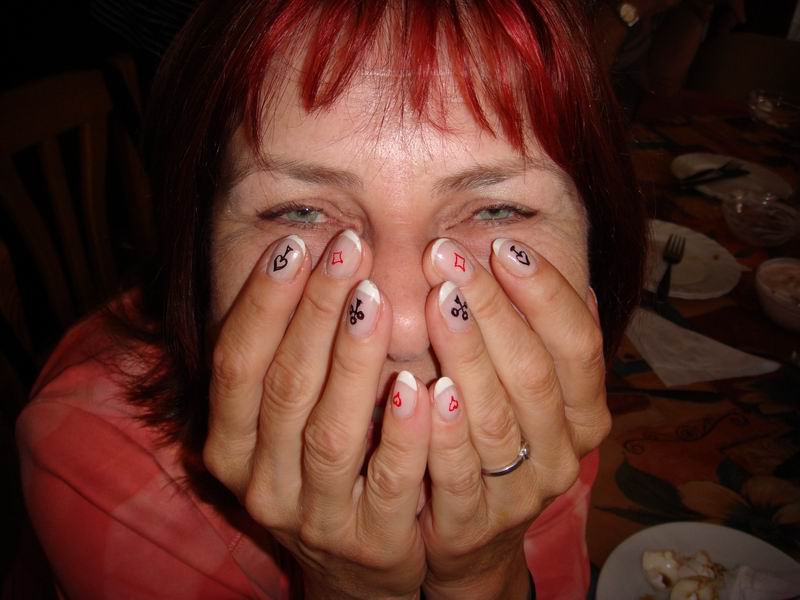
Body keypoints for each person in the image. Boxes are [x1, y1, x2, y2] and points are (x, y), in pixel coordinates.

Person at [16, 1, 647, 598]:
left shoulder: (542, 382)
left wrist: (484, 573)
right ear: (199, 238)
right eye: (300, 212)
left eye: (497, 211)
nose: (403, 327)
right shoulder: (96, 467)